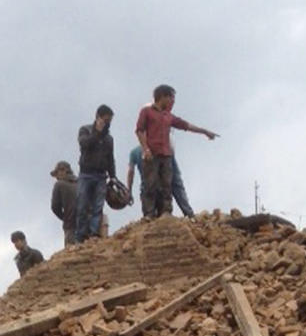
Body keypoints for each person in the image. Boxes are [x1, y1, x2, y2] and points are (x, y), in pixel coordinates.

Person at [135, 84, 217, 219]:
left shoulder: (168, 116)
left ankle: (166, 212)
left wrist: (204, 131)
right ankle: (149, 214)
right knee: (150, 185)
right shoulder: (147, 112)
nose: (171, 101)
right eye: (170, 98)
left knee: (167, 185)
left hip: (166, 154)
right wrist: (146, 149)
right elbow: (139, 130)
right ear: (162, 97)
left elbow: (186, 125)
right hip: (152, 153)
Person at [76, 104, 116, 242]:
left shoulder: (109, 139)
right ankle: (80, 236)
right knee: (82, 205)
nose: (107, 124)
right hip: (86, 174)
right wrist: (97, 133)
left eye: (109, 121)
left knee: (97, 207)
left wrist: (113, 176)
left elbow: (110, 158)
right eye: (105, 120)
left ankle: (94, 234)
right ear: (98, 118)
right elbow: (84, 145)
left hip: (101, 176)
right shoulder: (85, 130)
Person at [126, 144, 194, 217]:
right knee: (163, 217)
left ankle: (150, 217)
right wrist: (187, 211)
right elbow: (176, 182)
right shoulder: (165, 148)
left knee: (150, 218)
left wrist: (129, 191)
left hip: (148, 191)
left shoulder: (135, 152)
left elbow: (131, 172)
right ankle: (188, 215)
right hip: (161, 190)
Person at [50, 161, 78, 247]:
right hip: (88, 222)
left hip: (71, 225)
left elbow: (55, 207)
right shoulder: (81, 183)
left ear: (63, 171)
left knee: (72, 252)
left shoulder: (59, 184)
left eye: (57, 174)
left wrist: (64, 217)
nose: (57, 178)